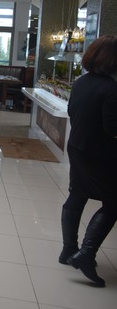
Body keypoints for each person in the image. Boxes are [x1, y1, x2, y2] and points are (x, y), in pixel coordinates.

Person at [59, 34, 117, 287]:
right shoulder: (111, 89)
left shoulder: (81, 82)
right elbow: (112, 129)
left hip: (78, 147)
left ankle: (68, 249)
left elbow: (72, 111)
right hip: (100, 153)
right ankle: (86, 253)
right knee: (113, 203)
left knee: (77, 194)